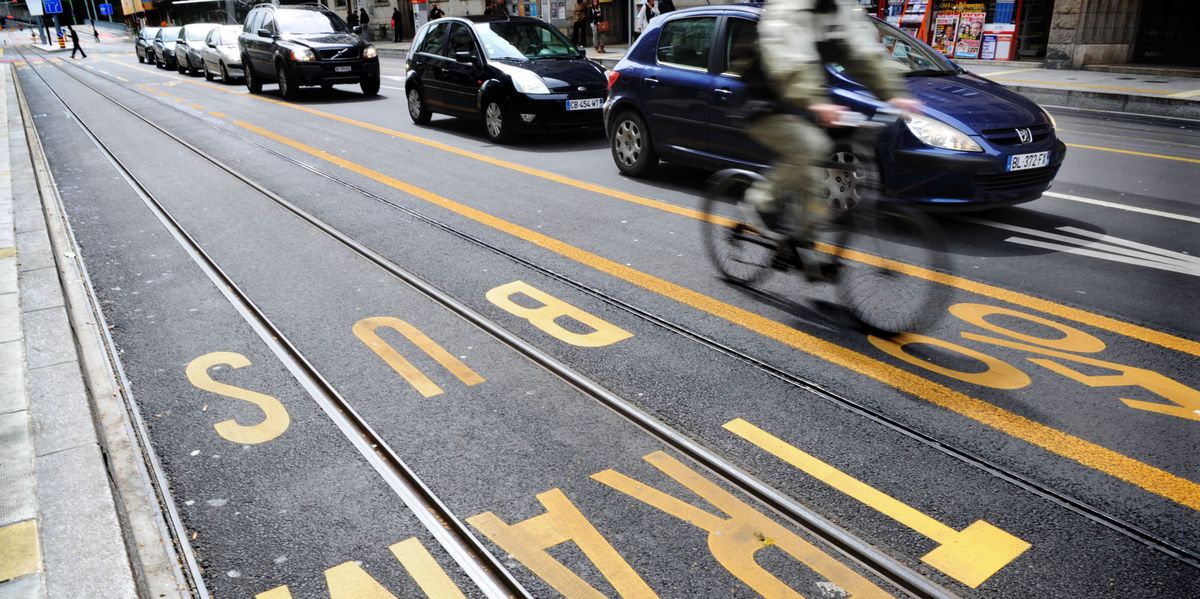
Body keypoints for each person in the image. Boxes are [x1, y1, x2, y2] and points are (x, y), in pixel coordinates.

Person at [746, 0, 919, 267]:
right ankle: (762, 202)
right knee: (811, 148)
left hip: (810, 104)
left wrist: (895, 95)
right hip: (767, 100)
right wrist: (814, 99)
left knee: (819, 168)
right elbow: (790, 59)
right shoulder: (789, 8)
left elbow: (864, 54)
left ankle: (800, 243)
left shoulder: (841, 8)